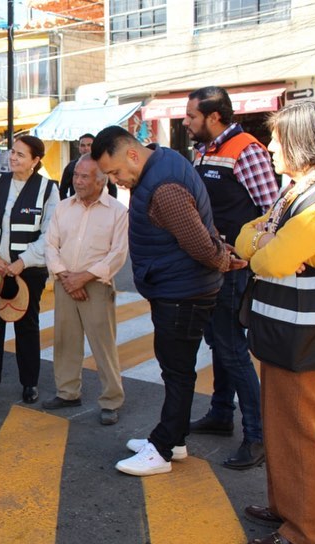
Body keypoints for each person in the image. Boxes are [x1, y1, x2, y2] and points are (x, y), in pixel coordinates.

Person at [90, 126, 247, 477]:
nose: (116, 181)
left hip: (183, 291)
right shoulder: (164, 161)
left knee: (176, 372)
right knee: (177, 369)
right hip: (181, 287)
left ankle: (162, 449)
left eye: (115, 172)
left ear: (132, 154)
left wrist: (223, 260)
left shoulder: (163, 188)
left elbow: (199, 244)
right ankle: (173, 440)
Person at [236, 101, 315, 544]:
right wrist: (265, 243)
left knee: (299, 433)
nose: (270, 147)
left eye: (278, 140)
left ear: (301, 142)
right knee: (280, 426)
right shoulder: (298, 190)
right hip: (283, 331)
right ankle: (286, 508)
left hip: (306, 337)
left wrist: (265, 246)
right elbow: (246, 237)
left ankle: (305, 532)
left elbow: (272, 260)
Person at [184, 86, 280, 470]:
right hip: (209, 265)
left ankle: (257, 436)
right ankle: (222, 414)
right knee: (220, 343)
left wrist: (245, 252)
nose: (187, 122)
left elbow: (273, 212)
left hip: (233, 269)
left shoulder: (246, 150)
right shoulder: (206, 150)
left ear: (214, 117)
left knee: (231, 349)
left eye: (192, 117)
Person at [0, 135, 58, 404]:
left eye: (21, 155)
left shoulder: (47, 190)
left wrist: (22, 262)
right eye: (12, 152)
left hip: (28, 272)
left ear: (35, 160)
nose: (13, 158)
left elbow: (50, 234)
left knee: (27, 326)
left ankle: (29, 383)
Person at [43, 155, 128, 425]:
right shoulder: (63, 207)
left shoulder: (117, 211)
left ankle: (111, 400)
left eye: (84, 177)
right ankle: (68, 392)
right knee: (65, 341)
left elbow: (117, 254)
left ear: (101, 180)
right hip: (65, 281)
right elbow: (50, 245)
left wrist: (83, 278)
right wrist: (66, 277)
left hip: (97, 286)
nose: (77, 181)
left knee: (103, 345)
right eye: (76, 175)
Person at [59, 133, 117, 200]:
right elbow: (62, 190)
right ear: (79, 148)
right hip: (77, 206)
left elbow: (112, 189)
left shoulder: (103, 165)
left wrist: (110, 206)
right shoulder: (71, 166)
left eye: (89, 145)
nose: (86, 148)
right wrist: (67, 206)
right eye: (82, 145)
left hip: (98, 206)